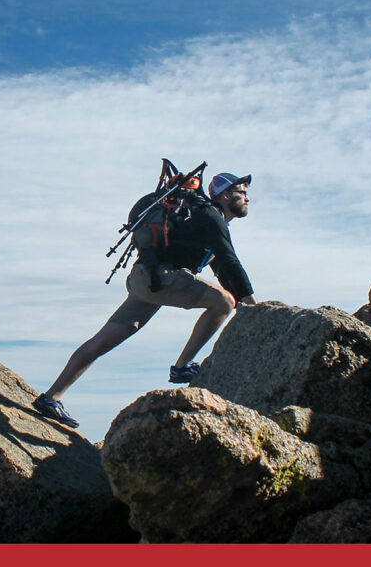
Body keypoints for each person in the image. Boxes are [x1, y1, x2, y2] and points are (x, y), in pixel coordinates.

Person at [33, 172, 258, 428]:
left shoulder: (207, 219)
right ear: (226, 195)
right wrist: (254, 307)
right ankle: (182, 366)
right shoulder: (210, 217)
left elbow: (225, 270)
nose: (247, 198)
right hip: (158, 277)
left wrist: (248, 303)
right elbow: (231, 262)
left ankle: (51, 397)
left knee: (102, 341)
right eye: (242, 192)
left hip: (145, 279)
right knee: (224, 302)